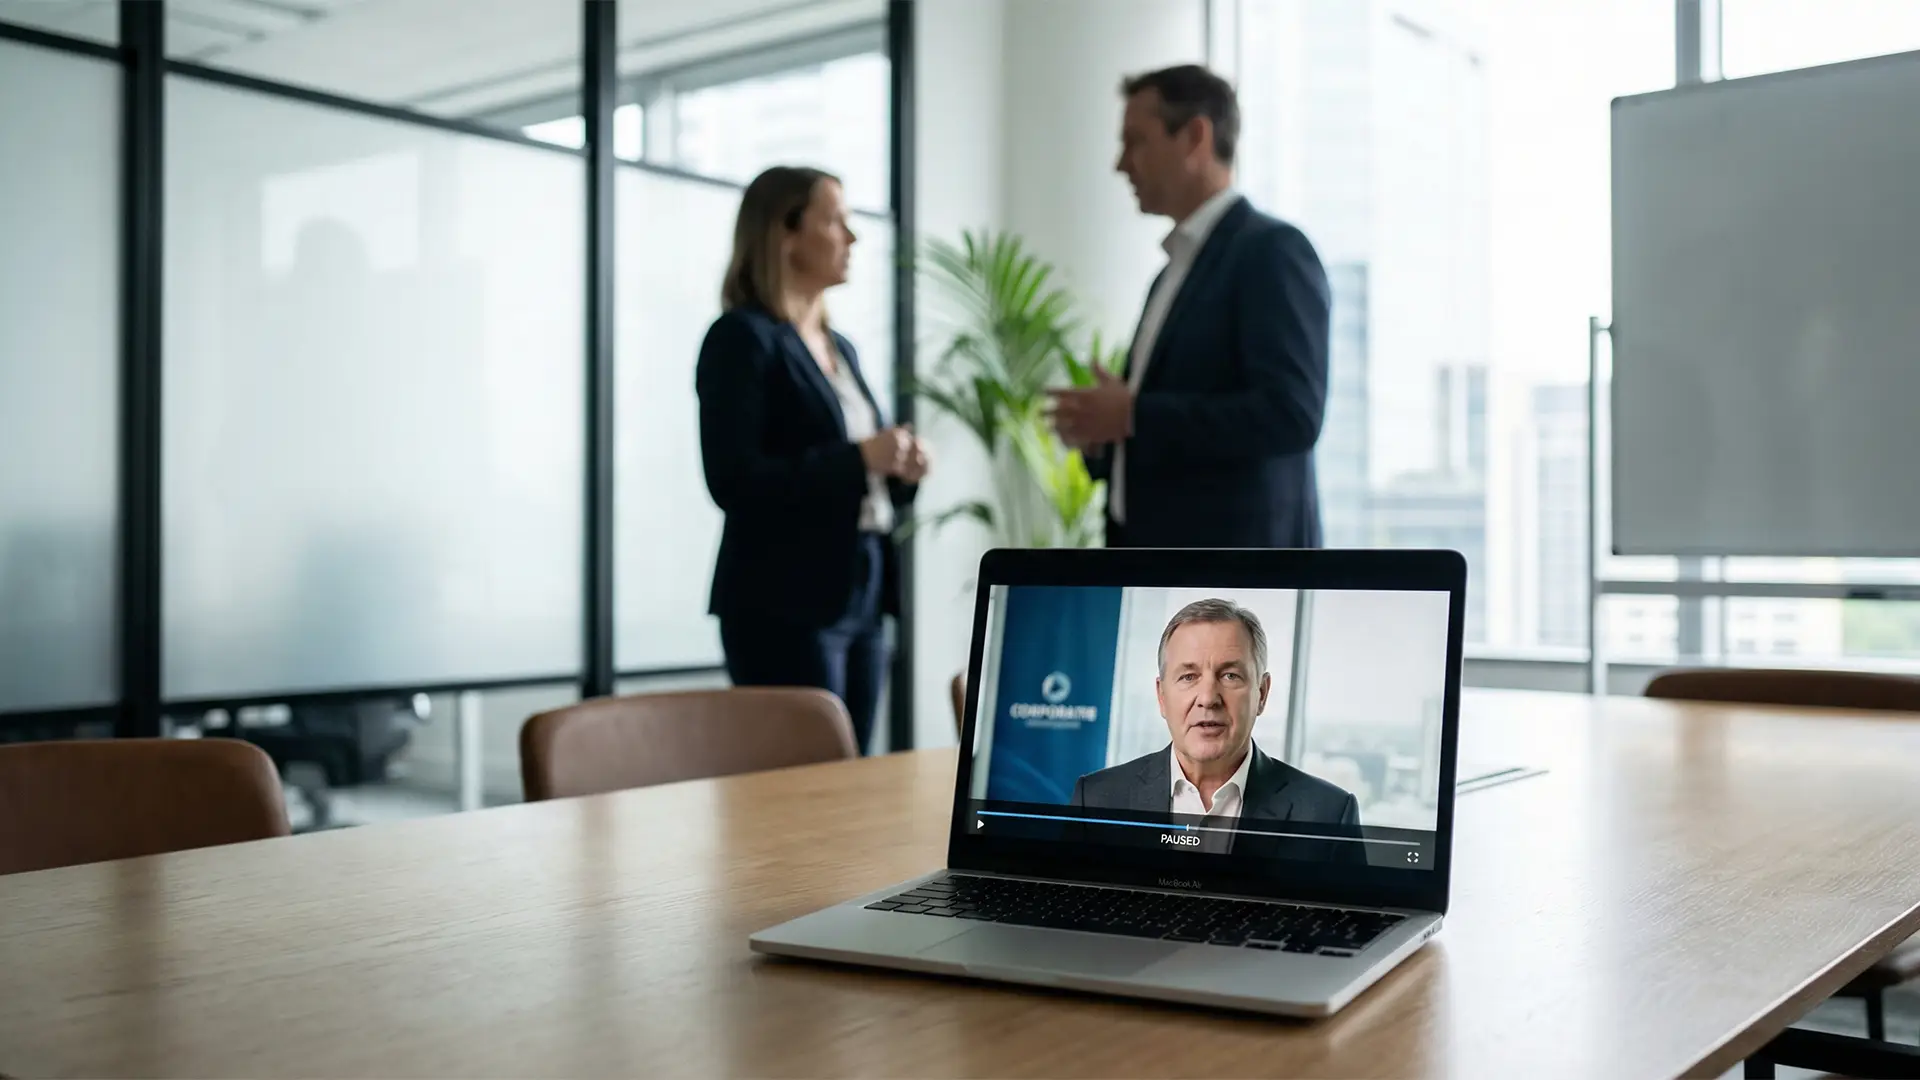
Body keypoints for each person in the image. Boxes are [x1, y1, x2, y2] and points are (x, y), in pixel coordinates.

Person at [695, 165, 930, 754]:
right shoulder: (740, 339)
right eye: (836, 221)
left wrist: (900, 471)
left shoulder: (838, 345)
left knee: (854, 775)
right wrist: (859, 458)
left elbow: (859, 473)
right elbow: (734, 480)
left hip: (864, 582)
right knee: (801, 783)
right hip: (784, 596)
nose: (852, 237)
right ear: (786, 233)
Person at [1049, 64, 1332, 549]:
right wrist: (1104, 436)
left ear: (1196, 136)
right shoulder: (1171, 272)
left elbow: (1292, 415)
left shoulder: (1272, 251)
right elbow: (1165, 434)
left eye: (1136, 140)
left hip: (1235, 580)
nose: (1121, 164)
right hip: (1158, 572)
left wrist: (1134, 414)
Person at [1071, 599, 1361, 860]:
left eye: (1230, 675)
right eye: (1188, 676)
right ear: (1161, 696)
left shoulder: (1329, 815)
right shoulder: (1096, 799)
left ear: (1261, 693)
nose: (1208, 698)